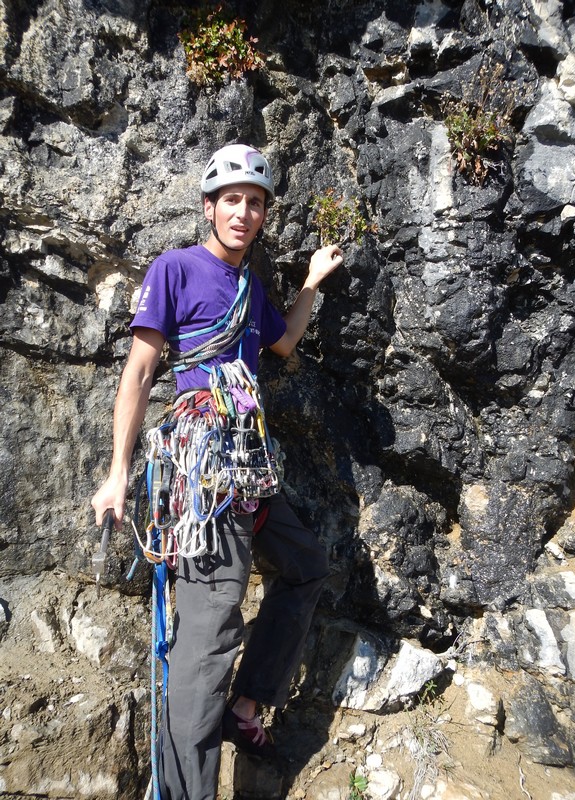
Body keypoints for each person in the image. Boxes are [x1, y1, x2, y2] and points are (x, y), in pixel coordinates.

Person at [91, 143, 343, 800]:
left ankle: (247, 705)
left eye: (255, 202)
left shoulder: (250, 287)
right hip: (202, 475)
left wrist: (312, 284)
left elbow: (281, 344)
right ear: (210, 208)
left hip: (251, 469)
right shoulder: (174, 268)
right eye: (232, 199)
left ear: (262, 217)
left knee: (307, 564)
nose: (244, 210)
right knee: (206, 644)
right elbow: (140, 373)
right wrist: (118, 472)